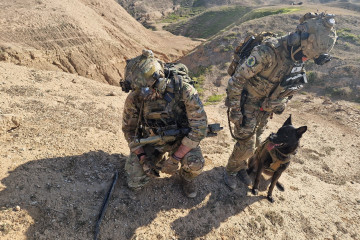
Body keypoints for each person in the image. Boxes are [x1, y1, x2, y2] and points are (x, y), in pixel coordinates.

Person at [224, 12, 337, 189]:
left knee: (258, 139)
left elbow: (290, 89)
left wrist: (280, 104)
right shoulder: (268, 52)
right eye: (306, 55)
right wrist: (236, 111)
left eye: (309, 58)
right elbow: (236, 80)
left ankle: (241, 166)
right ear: (301, 40)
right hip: (247, 101)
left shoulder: (298, 58)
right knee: (247, 142)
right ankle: (231, 171)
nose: (306, 60)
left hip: (265, 108)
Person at [121, 50, 208, 198]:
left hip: (180, 141)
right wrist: (143, 158)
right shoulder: (135, 97)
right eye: (142, 91)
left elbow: (199, 129)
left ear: (159, 79)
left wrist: (175, 159)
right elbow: (129, 131)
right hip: (152, 141)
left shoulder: (184, 90)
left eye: (149, 89)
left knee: (195, 163)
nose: (147, 95)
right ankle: (157, 159)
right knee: (134, 181)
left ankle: (186, 178)